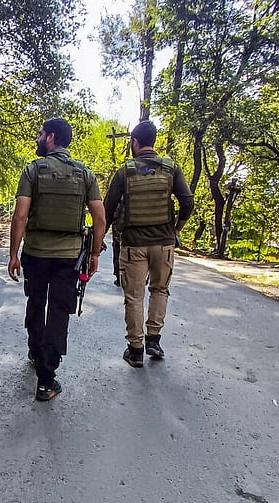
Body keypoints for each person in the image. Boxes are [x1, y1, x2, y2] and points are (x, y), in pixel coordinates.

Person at [8, 118, 106, 401]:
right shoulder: (85, 174)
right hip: (68, 258)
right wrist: (94, 254)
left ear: (51, 137)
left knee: (36, 302)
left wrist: (13, 254)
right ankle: (46, 380)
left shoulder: (32, 170)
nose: (37, 138)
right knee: (59, 311)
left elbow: (20, 216)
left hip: (35, 253)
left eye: (40, 134)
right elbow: (100, 218)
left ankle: (35, 351)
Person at [104, 120, 194, 368]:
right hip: (163, 243)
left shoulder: (125, 171)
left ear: (134, 142)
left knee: (134, 297)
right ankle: (154, 339)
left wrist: (97, 241)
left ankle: (135, 350)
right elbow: (187, 203)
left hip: (133, 244)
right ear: (154, 141)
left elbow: (108, 209)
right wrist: (176, 229)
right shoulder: (171, 168)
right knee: (159, 290)